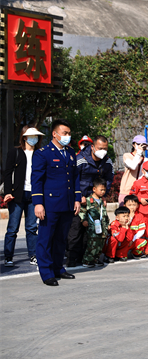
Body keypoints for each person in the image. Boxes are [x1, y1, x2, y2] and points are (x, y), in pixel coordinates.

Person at [32, 119, 81, 286]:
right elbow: (37, 180)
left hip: (67, 203)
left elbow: (75, 178)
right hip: (50, 204)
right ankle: (46, 272)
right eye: (64, 133)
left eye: (69, 133)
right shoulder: (43, 153)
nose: (67, 136)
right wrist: (38, 203)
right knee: (45, 239)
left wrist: (76, 199)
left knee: (61, 238)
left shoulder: (71, 153)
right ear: (55, 134)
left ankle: (58, 267)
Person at [67, 135, 114, 268]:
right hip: (80, 199)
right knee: (76, 229)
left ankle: (88, 257)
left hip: (95, 200)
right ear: (93, 147)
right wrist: (79, 195)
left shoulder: (107, 161)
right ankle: (71, 258)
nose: (103, 151)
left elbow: (109, 179)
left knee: (93, 229)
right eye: (100, 148)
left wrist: (104, 194)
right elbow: (72, 178)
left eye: (105, 148)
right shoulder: (81, 159)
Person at [2, 126, 44, 267]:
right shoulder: (15, 152)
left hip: (34, 194)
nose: (34, 138)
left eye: (36, 136)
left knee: (32, 227)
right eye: (31, 136)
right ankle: (8, 256)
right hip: (17, 195)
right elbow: (7, 173)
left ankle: (33, 255)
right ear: (24, 137)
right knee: (13, 228)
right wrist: (8, 191)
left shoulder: (40, 153)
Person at [80, 178, 110, 268]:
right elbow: (82, 211)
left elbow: (104, 214)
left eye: (104, 190)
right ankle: (87, 260)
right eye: (101, 190)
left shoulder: (102, 201)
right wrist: (83, 220)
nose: (103, 192)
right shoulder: (88, 200)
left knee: (100, 244)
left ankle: (96, 259)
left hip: (102, 226)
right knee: (92, 244)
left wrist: (107, 224)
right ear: (94, 189)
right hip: (92, 227)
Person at [118, 135, 148, 205]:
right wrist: (138, 153)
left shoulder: (146, 160)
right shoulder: (127, 156)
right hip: (126, 191)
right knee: (124, 214)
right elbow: (133, 166)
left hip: (140, 192)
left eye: (143, 145)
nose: (141, 146)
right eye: (138, 144)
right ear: (133, 145)